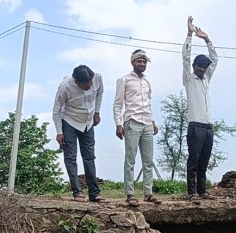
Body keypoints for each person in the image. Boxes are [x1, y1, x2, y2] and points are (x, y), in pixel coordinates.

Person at [52, 65, 106, 203]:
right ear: (77, 81)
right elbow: (56, 110)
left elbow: (100, 93)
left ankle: (94, 193)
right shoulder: (65, 87)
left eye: (90, 82)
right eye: (86, 84)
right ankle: (77, 192)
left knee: (89, 157)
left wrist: (97, 112)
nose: (89, 85)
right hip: (70, 121)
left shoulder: (97, 78)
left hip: (88, 122)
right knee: (70, 157)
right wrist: (59, 132)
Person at [114, 49, 160, 207]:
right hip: (132, 121)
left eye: (144, 62)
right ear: (132, 62)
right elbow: (118, 104)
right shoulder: (124, 80)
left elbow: (149, 103)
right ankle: (130, 193)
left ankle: (148, 193)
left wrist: (153, 121)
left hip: (147, 122)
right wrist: (118, 124)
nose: (142, 64)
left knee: (148, 161)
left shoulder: (147, 82)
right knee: (130, 160)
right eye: (139, 61)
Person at [183, 15, 219, 203]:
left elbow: (215, 58)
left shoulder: (206, 79)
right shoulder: (189, 79)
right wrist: (189, 35)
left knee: (205, 160)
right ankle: (192, 192)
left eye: (204, 67)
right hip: (195, 125)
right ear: (195, 66)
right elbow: (185, 57)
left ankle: (203, 190)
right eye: (199, 66)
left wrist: (207, 39)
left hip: (208, 126)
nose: (201, 69)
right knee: (194, 160)